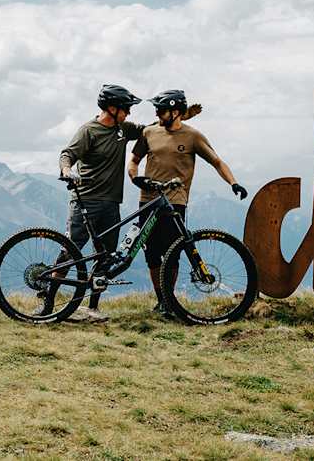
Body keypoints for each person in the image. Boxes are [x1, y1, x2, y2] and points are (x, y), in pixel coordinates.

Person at [57, 84, 200, 321]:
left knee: (105, 256)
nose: (129, 113)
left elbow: (152, 129)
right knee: (71, 250)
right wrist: (66, 170)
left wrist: (180, 116)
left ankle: (93, 308)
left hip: (112, 202)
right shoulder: (88, 131)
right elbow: (68, 154)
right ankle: (48, 300)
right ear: (112, 109)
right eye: (126, 108)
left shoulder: (123, 128)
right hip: (87, 199)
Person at [126, 89, 247, 318]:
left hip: (175, 202)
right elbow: (134, 161)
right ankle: (162, 300)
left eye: (161, 110)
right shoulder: (149, 132)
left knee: (172, 254)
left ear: (175, 112)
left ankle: (169, 300)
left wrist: (234, 183)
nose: (157, 113)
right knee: (152, 254)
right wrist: (135, 177)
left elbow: (217, 162)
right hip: (148, 200)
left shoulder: (193, 136)